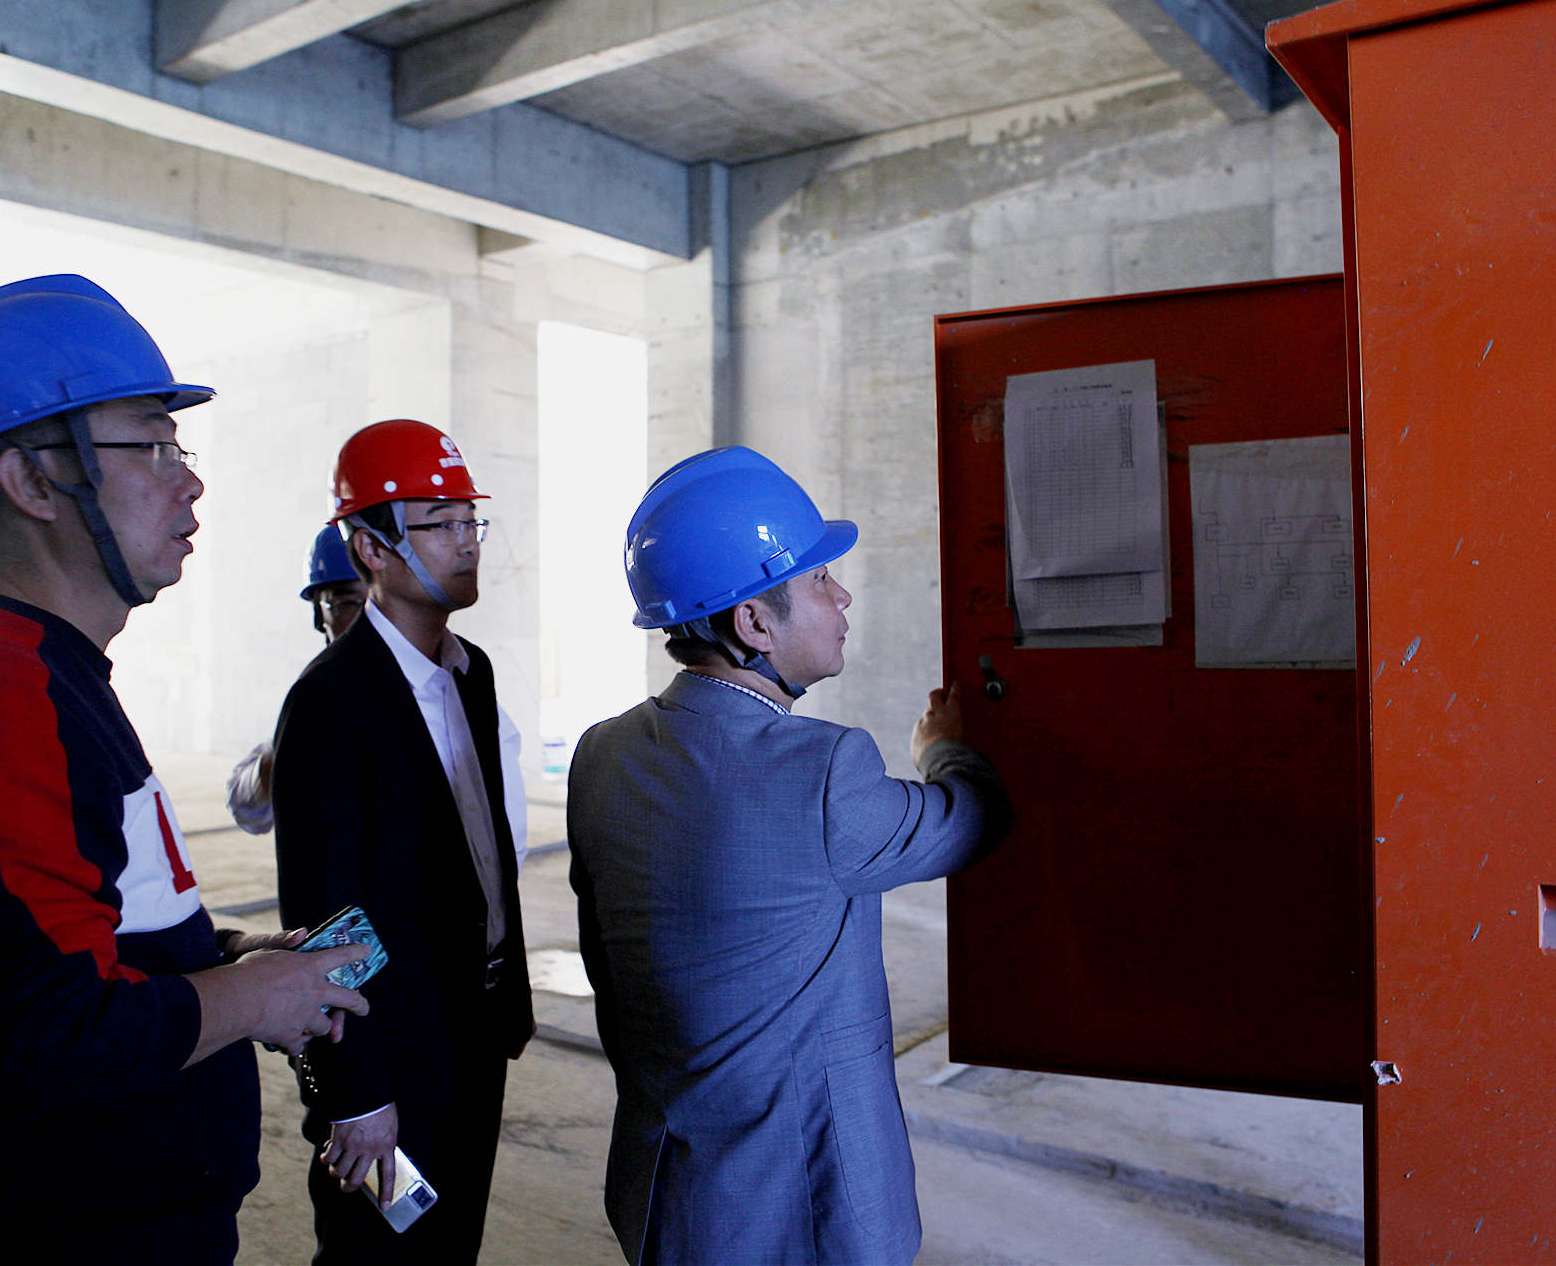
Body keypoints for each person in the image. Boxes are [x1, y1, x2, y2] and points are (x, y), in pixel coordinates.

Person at [0, 275, 372, 1265]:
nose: (188, 482)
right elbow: (46, 1032)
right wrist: (255, 998)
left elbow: (77, 933)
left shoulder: (42, 671)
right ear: (35, 481)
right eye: (151, 446)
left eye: (179, 448)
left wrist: (233, 958)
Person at [567, 446, 1013, 1265]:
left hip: (668, 1198)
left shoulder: (602, 754)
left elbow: (610, 970)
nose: (842, 597)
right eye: (819, 579)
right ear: (754, 623)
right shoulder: (824, 770)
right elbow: (971, 820)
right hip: (805, 1215)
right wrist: (944, 748)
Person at [270, 418, 535, 1262]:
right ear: (371, 549)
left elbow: (479, 853)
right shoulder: (332, 701)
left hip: (473, 1027)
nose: (467, 540)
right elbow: (325, 914)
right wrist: (354, 1094)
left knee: (451, 1247)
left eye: (470, 518)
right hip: (391, 1049)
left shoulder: (470, 671)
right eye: (440, 522)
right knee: (378, 1255)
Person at [224, 526, 369, 834]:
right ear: (319, 617)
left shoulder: (448, 683)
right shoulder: (315, 700)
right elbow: (248, 810)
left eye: (380, 604)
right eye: (349, 604)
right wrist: (280, 757)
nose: (369, 620)